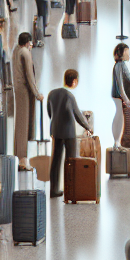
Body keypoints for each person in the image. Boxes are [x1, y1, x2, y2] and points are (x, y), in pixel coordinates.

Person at [45, 70, 93, 198]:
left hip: (56, 130)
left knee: (55, 160)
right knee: (71, 160)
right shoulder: (70, 96)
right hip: (68, 131)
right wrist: (88, 127)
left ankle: (54, 190)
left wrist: (55, 122)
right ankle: (70, 189)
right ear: (74, 81)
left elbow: (50, 111)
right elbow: (78, 115)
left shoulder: (52, 94)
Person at [13, 32, 42, 166]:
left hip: (17, 89)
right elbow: (30, 76)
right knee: (24, 123)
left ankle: (17, 152)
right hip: (24, 90)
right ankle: (22, 157)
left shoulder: (16, 50)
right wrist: (37, 94)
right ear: (27, 42)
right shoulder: (25, 52)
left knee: (19, 122)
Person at [111, 43, 130, 145]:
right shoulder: (119, 65)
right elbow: (120, 84)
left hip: (121, 96)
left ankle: (117, 141)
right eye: (127, 53)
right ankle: (117, 141)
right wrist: (125, 98)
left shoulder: (121, 65)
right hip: (119, 96)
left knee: (120, 117)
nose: (128, 55)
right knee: (119, 117)